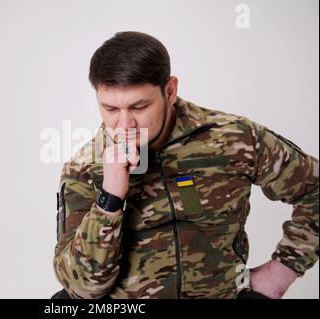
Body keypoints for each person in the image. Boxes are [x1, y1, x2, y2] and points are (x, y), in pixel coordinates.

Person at [52, 31, 319, 299]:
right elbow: (82, 289)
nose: (124, 125)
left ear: (169, 91)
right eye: (110, 109)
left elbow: (315, 189)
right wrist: (109, 199)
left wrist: (284, 269)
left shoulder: (234, 138)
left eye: (139, 107)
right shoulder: (85, 168)